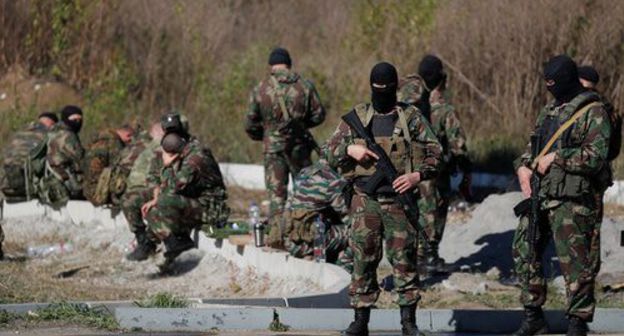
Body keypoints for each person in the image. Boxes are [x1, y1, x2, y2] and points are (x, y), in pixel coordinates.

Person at [324, 62, 442, 336]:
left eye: (386, 89)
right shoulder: (357, 118)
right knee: (363, 261)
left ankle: (408, 323)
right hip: (365, 202)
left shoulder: (410, 118)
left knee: (404, 262)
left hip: (399, 202)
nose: (381, 94)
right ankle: (360, 321)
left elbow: (436, 152)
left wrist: (416, 176)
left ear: (395, 87)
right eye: (377, 89)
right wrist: (349, 149)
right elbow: (327, 152)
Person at [512, 55, 611, 336]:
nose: (550, 89)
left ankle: (577, 323)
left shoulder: (594, 111)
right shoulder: (550, 111)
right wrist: (522, 167)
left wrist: (558, 157)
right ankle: (533, 316)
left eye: (554, 84)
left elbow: (596, 157)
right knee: (524, 249)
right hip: (541, 196)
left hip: (574, 202)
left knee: (576, 264)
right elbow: (533, 148)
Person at [245, 47, 326, 247]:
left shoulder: (261, 88)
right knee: (304, 192)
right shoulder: (305, 86)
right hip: (299, 147)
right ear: (289, 64)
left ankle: (277, 238)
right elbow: (319, 115)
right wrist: (302, 125)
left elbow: (250, 123)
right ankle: (304, 236)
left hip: (273, 150)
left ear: (271, 64)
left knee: (277, 196)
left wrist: (265, 135)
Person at [399, 54, 472, 274]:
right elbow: (458, 146)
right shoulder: (443, 110)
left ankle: (411, 257)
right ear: (441, 80)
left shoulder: (407, 104)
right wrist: (465, 170)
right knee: (434, 211)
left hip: (406, 169)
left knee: (413, 211)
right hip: (433, 172)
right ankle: (428, 257)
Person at [141, 130, 229, 273]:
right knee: (152, 211)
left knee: (164, 200)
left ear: (172, 153)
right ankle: (174, 245)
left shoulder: (195, 158)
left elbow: (173, 187)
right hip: (195, 204)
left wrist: (167, 165)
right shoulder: (188, 152)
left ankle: (178, 246)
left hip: (211, 209)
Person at [285, 159, 351, 266]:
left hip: (290, 241)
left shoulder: (304, 172)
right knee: (357, 234)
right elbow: (348, 217)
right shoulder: (332, 179)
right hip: (311, 242)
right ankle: (343, 269)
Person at [122, 122, 165, 261]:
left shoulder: (164, 147)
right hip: (143, 188)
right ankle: (143, 241)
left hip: (157, 189)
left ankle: (146, 243)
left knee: (130, 200)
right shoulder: (149, 146)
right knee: (129, 200)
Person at [1, 112, 58, 202]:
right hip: (28, 186)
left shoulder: (18, 133)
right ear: (51, 123)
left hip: (6, 184)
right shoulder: (48, 136)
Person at [38, 105, 85, 207]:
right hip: (67, 183)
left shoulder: (51, 132)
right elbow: (80, 160)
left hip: (51, 181)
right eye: (74, 119)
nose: (77, 122)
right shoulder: (68, 135)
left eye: (79, 119)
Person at [82, 125, 134, 205]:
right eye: (129, 139)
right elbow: (117, 166)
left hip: (87, 187)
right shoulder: (115, 143)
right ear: (128, 135)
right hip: (99, 190)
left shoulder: (98, 139)